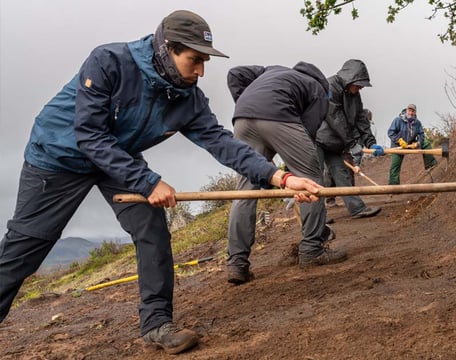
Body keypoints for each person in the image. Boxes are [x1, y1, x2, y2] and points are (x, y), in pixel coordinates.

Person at [0, 10, 320, 355]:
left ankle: (156, 324)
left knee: (152, 231)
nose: (200, 71)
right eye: (194, 60)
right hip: (58, 156)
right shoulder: (108, 61)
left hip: (118, 159)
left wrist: (280, 177)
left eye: (205, 62)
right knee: (27, 247)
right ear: (167, 49)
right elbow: (89, 135)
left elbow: (220, 141)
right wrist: (148, 182)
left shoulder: (187, 97)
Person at [225, 61, 346, 284]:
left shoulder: (271, 70)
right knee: (310, 177)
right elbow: (308, 133)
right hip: (278, 116)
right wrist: (293, 172)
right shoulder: (319, 90)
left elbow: (235, 74)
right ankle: (312, 249)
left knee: (245, 192)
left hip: (242, 119)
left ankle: (237, 263)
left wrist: (245, 103)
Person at [316, 59, 384, 218]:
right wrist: (352, 144)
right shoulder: (330, 87)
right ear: (349, 79)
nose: (360, 87)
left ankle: (357, 209)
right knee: (315, 177)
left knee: (342, 175)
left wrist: (371, 143)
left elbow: (360, 118)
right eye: (359, 84)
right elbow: (335, 118)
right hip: (316, 139)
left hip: (334, 142)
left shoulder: (354, 94)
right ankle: (317, 218)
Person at [387, 104, 438, 185]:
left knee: (426, 143)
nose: (411, 113)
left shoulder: (417, 123)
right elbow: (390, 132)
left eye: (413, 111)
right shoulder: (398, 120)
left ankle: (430, 164)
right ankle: (393, 187)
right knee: (395, 166)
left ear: (415, 112)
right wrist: (399, 140)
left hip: (410, 145)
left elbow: (421, 135)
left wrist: (418, 143)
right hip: (398, 146)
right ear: (406, 111)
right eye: (409, 110)